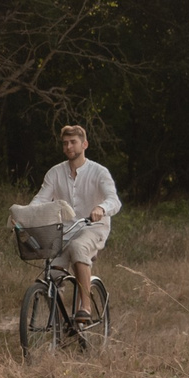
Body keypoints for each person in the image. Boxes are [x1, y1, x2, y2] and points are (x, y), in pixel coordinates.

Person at [31, 124, 121, 317]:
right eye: (65, 143)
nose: (69, 147)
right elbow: (40, 200)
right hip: (64, 231)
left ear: (84, 144)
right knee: (52, 272)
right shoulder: (55, 173)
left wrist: (101, 208)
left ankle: (85, 307)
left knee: (79, 247)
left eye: (73, 142)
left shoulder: (99, 172)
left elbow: (114, 200)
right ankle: (60, 324)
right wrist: (24, 216)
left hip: (94, 228)